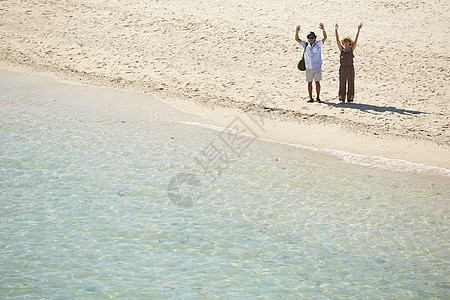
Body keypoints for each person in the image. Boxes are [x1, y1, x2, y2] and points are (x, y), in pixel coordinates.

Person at [295, 23, 327, 102]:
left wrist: (323, 29)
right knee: (309, 83)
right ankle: (311, 98)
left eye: (312, 37)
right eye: (309, 37)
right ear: (308, 39)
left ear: (315, 38)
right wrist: (297, 31)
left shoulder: (318, 44)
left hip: (316, 66)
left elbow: (325, 37)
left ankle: (318, 97)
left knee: (317, 83)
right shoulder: (306, 45)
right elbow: (297, 39)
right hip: (308, 67)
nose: (311, 39)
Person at [334, 23, 363, 103]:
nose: (346, 43)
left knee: (351, 82)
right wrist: (336, 30)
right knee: (342, 82)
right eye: (345, 41)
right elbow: (337, 41)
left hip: (350, 68)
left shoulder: (351, 49)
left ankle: (350, 98)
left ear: (350, 43)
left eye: (347, 41)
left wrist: (358, 30)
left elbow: (356, 41)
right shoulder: (341, 49)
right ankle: (342, 98)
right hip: (342, 68)